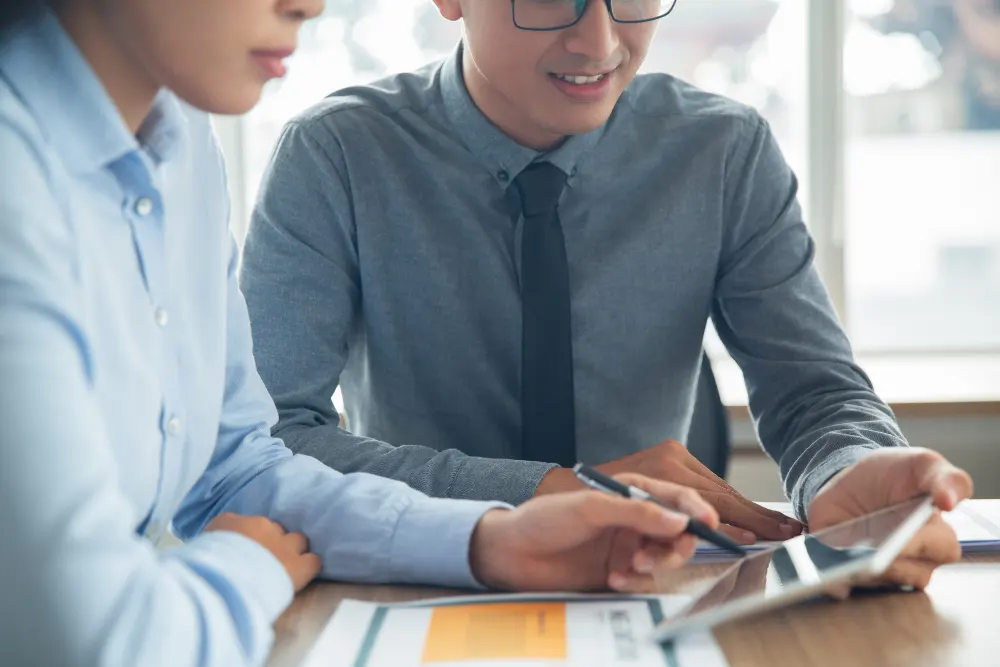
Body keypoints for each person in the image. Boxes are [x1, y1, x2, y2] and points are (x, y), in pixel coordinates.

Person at [0, 2, 731, 665]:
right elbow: (99, 639)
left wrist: (489, 538)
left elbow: (235, 467)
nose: (310, 6)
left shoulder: (181, 140)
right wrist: (247, 564)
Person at [239, 0, 973, 578]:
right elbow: (272, 439)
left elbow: (817, 393)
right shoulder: (335, 154)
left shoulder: (724, 152)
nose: (599, 42)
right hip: (417, 576)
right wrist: (553, 488)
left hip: (661, 576)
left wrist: (847, 467)